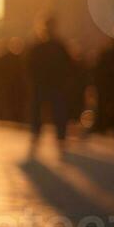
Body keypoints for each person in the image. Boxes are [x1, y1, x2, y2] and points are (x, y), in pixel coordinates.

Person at [27, 14, 75, 154]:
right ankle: (52, 136)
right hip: (50, 86)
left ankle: (50, 135)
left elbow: (29, 67)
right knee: (53, 111)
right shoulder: (56, 46)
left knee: (52, 111)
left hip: (49, 86)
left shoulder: (44, 47)